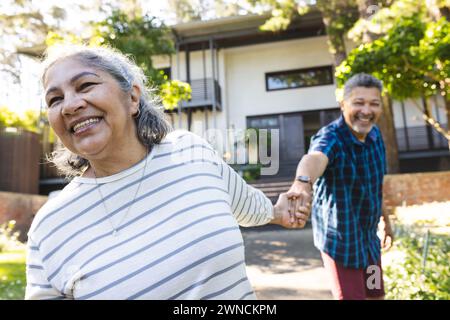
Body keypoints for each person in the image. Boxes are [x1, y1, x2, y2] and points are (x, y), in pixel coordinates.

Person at [25, 45, 310, 300]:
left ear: (133, 97)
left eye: (86, 85)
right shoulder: (50, 226)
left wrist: (278, 212)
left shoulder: (191, 151)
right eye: (55, 100)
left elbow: (246, 203)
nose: (70, 105)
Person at [287, 73, 394, 300]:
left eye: (374, 104)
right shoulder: (331, 138)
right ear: (342, 104)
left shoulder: (375, 136)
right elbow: (314, 157)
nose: (366, 110)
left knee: (375, 294)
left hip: (369, 244)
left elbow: (376, 186)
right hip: (341, 245)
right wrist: (302, 183)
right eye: (359, 102)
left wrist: (386, 220)